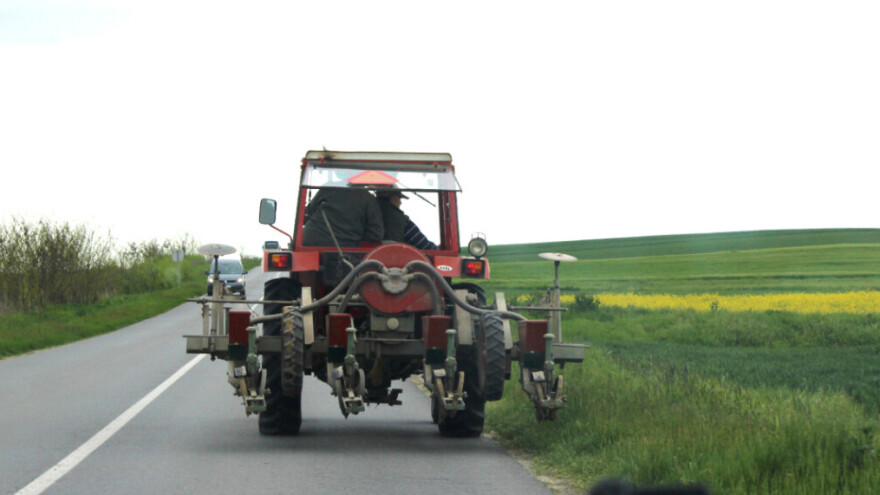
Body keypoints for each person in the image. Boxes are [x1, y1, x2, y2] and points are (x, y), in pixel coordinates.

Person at [302, 186, 384, 247]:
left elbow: (306, 214)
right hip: (346, 249)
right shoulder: (369, 199)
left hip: (311, 243)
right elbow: (376, 234)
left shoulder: (328, 188)